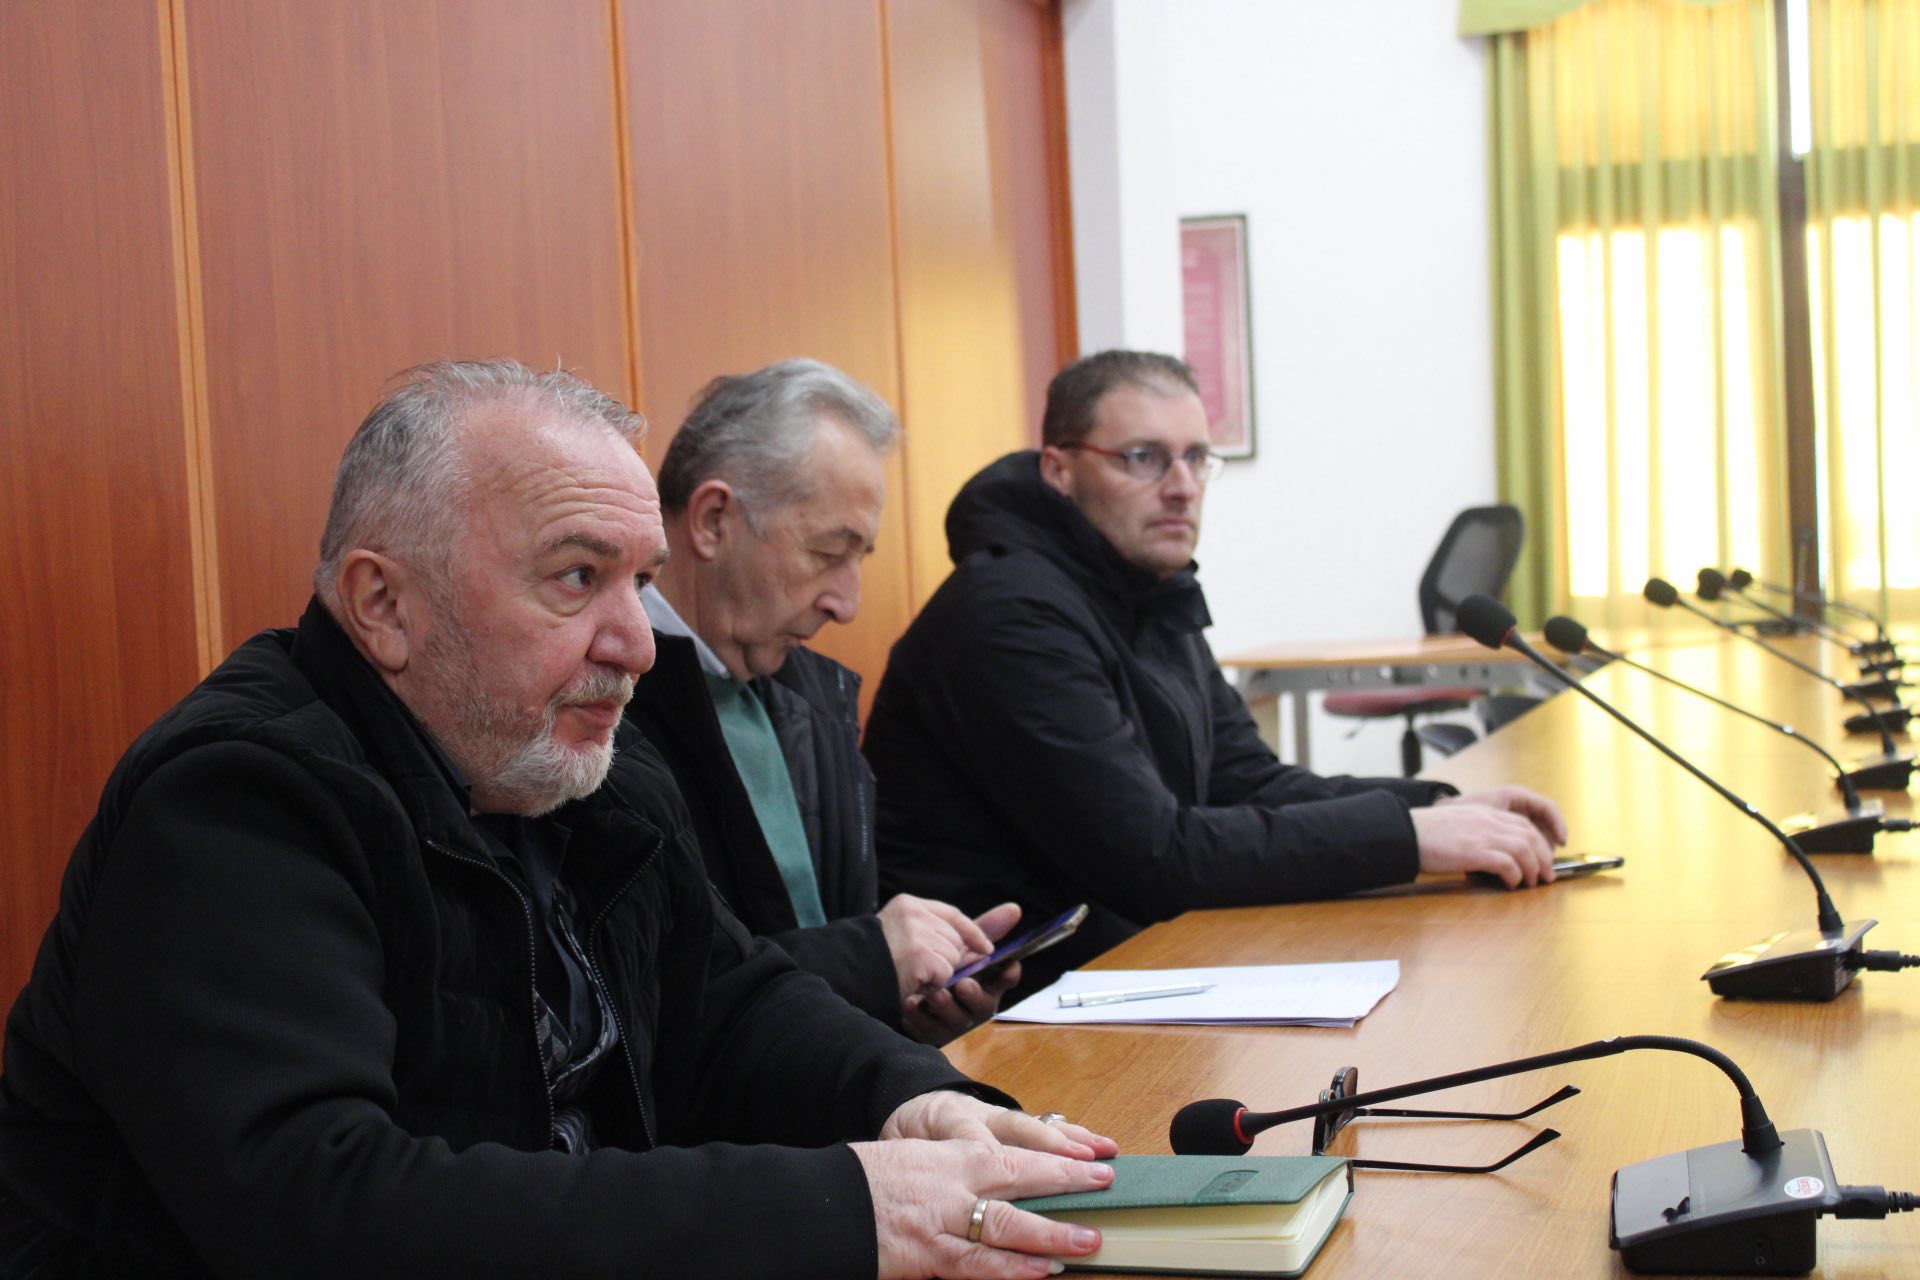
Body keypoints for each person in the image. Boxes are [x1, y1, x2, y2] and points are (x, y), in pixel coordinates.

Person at [0, 360, 1116, 1279]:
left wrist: (916, 1098)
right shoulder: (237, 802)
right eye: (578, 578)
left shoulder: (576, 763)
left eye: (640, 580)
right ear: (383, 604)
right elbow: (327, 1210)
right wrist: (845, 1203)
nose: (636, 644)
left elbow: (730, 1002)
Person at [863, 349, 1567, 992]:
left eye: (1196, 458)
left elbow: (1245, 780)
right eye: (1144, 457)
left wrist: (1434, 807)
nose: (1181, 487)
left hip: (1128, 967)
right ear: (1060, 470)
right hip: (1009, 1006)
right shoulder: (1009, 618)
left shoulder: (1146, 590)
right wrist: (1407, 839)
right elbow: (1153, 859)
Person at [629, 359, 1019, 1046]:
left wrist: (906, 991)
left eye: (860, 557)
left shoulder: (810, 692)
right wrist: (868, 959)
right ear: (714, 520)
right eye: (828, 552)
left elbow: (830, 937)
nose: (848, 603)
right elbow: (643, 990)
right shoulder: (598, 703)